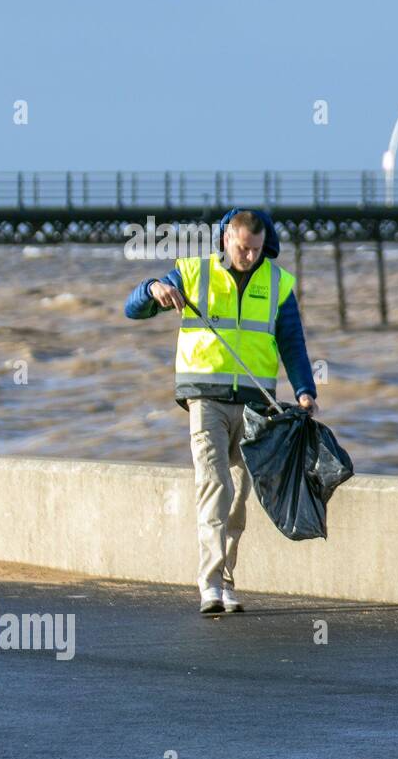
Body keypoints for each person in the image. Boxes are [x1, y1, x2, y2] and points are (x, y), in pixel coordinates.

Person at [124, 208, 318, 615]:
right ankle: (209, 584)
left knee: (239, 498)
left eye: (257, 249)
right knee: (215, 484)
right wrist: (153, 288)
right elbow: (133, 308)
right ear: (227, 238)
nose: (249, 256)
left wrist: (304, 391)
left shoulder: (278, 283)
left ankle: (227, 581)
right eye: (243, 248)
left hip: (255, 406)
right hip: (205, 399)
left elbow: (292, 343)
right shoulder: (194, 272)